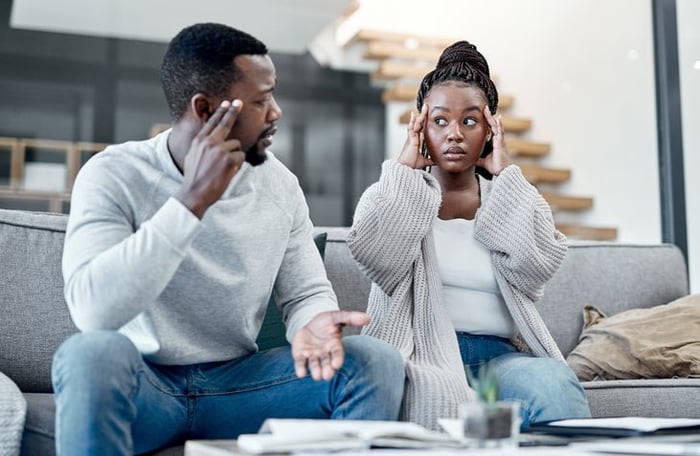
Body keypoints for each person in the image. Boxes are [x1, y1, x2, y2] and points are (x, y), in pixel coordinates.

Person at [52, 23, 404, 455]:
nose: (276, 112)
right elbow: (93, 313)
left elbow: (306, 292)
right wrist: (190, 203)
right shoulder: (114, 174)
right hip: (148, 387)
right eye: (260, 100)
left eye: (272, 94)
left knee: (372, 362)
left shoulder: (280, 185)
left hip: (239, 386)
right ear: (204, 110)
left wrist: (313, 321)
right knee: (90, 354)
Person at [347, 40, 591, 431]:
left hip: (500, 360)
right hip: (420, 353)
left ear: (490, 130)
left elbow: (536, 269)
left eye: (470, 121)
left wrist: (507, 177)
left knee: (553, 382)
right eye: (440, 121)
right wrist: (404, 170)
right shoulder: (392, 192)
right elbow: (378, 258)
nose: (455, 134)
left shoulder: (512, 199)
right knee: (436, 394)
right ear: (421, 127)